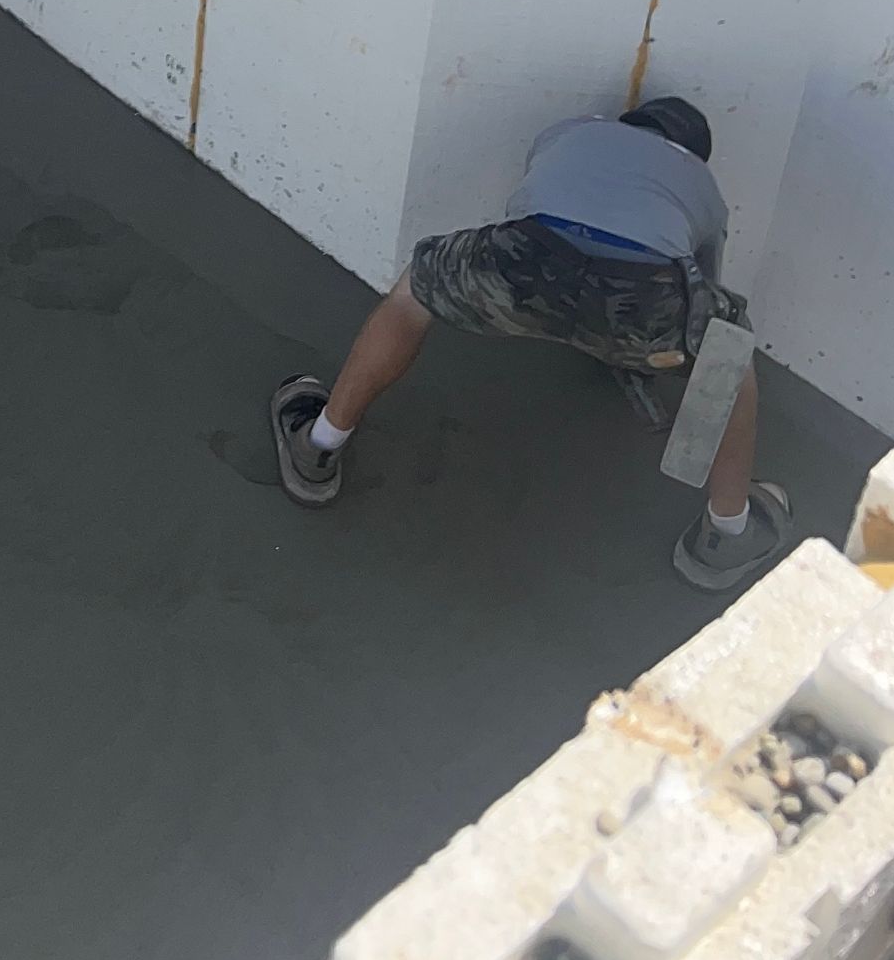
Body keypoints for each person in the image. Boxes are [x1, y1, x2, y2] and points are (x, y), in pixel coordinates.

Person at [269, 97, 791, 591]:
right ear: (695, 153)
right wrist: (646, 347)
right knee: (730, 357)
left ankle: (318, 444)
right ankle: (727, 532)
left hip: (528, 259)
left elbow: (537, 202)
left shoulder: (572, 134)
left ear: (629, 124)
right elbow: (700, 281)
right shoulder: (704, 187)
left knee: (413, 295)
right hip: (639, 296)